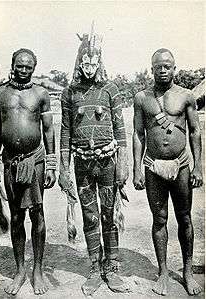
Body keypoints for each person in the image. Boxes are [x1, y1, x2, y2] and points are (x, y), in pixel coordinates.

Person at [59, 25, 130, 296]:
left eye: (94, 62)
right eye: (84, 62)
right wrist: (64, 169)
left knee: (109, 213)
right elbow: (65, 132)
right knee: (90, 215)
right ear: (79, 62)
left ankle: (111, 267)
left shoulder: (111, 90)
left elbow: (121, 130)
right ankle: (93, 267)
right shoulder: (69, 93)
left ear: (100, 62)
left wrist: (122, 165)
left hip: (108, 162)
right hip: (82, 164)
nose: (89, 67)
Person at [133, 48, 203, 296]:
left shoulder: (185, 96)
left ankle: (186, 271)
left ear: (174, 68)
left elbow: (194, 131)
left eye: (167, 66)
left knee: (184, 218)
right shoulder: (142, 98)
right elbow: (138, 134)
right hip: (153, 166)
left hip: (181, 164)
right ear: (151, 69)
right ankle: (162, 271)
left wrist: (198, 166)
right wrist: (136, 169)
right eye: (158, 66)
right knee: (159, 219)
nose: (163, 70)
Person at [0, 48, 57, 295]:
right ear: (13, 64)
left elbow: (48, 130)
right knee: (16, 216)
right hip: (10, 163)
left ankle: (37, 270)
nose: (24, 70)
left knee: (37, 214)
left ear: (34, 68)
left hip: (35, 161)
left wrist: (51, 164)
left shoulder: (41, 93)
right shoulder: (1, 93)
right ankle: (19, 270)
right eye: (20, 65)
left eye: (28, 66)